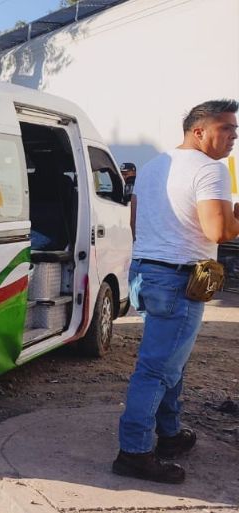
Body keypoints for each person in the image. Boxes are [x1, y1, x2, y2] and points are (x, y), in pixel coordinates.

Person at [114, 99, 239, 484]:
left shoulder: (153, 167)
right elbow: (220, 232)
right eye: (227, 129)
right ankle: (134, 453)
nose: (233, 137)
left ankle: (168, 434)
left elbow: (136, 221)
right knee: (155, 369)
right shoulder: (210, 169)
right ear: (199, 131)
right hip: (178, 280)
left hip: (146, 273)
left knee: (171, 361)